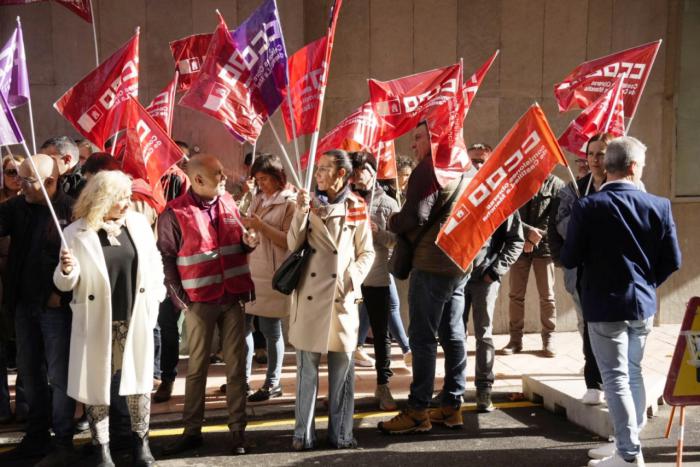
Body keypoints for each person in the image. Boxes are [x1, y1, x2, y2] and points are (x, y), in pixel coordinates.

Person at [561, 136, 681, 467]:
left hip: (602, 304)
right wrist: (645, 282)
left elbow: (570, 256)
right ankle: (628, 445)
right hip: (641, 302)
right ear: (632, 167)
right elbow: (672, 260)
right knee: (631, 373)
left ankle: (628, 452)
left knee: (615, 378)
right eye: (641, 164)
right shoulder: (659, 205)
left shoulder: (588, 207)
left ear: (610, 166)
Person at [54, 171, 165, 467]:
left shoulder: (138, 225)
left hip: (134, 316)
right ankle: (102, 449)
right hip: (97, 320)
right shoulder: (76, 232)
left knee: (138, 384)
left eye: (129, 197)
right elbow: (66, 283)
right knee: (96, 386)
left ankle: (141, 444)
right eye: (121, 198)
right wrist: (66, 270)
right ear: (102, 199)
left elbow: (154, 263)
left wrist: (157, 296)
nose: (128, 203)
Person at [158, 154, 257, 456]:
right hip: (199, 300)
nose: (225, 178)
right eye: (218, 174)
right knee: (197, 368)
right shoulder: (174, 212)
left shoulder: (227, 201)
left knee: (237, 367)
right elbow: (166, 260)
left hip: (232, 296)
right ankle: (192, 431)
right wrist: (183, 300)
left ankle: (238, 432)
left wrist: (247, 243)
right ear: (198, 180)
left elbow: (236, 242)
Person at [378, 122, 472, 434]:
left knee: (422, 338)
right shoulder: (465, 169)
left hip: (431, 264)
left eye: (418, 138)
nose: (413, 145)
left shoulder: (429, 169)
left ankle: (418, 410)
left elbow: (414, 216)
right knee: (454, 334)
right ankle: (451, 406)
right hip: (459, 262)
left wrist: (392, 219)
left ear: (435, 140)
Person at [288, 149, 375, 450]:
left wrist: (352, 277)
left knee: (343, 373)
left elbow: (368, 251)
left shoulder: (357, 205)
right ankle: (302, 435)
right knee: (306, 373)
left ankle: (341, 434)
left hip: (342, 298)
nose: (318, 174)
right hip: (310, 298)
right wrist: (300, 213)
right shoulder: (307, 203)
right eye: (318, 168)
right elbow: (292, 245)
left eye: (325, 169)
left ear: (341, 174)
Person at [0, 154, 76, 466]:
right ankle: (36, 437)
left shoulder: (70, 209)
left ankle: (63, 440)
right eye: (18, 176)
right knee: (29, 373)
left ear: (49, 182)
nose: (20, 184)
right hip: (22, 303)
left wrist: (59, 292)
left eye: (27, 179)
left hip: (55, 307)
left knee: (59, 375)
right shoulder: (17, 207)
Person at [550, 133, 612, 406]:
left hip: (614, 272)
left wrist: (584, 224)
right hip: (582, 274)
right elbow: (561, 224)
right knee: (589, 328)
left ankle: (614, 383)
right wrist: (589, 227)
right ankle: (594, 383)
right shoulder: (573, 188)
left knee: (613, 330)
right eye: (591, 154)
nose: (595, 160)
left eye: (601, 154)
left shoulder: (623, 186)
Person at [461, 143, 524, 412]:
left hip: (485, 277)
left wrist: (493, 271)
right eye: (472, 160)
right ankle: (454, 389)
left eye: (481, 161)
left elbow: (515, 241)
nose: (476, 165)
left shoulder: (501, 198)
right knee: (454, 334)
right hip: (456, 278)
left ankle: (484, 389)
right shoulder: (458, 194)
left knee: (484, 335)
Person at [240, 154, 296, 402]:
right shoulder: (258, 198)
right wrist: (249, 234)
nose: (260, 184)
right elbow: (251, 227)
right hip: (251, 269)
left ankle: (273, 382)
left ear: (276, 177)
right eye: (258, 179)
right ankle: (242, 380)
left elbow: (289, 240)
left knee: (271, 330)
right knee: (242, 328)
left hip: (273, 273)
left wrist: (261, 227)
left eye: (264, 179)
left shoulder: (290, 203)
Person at [350, 151, 400, 411]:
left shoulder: (388, 203)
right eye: (354, 171)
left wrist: (379, 234)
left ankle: (384, 386)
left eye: (362, 171)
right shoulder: (346, 201)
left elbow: (399, 240)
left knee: (381, 334)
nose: (358, 176)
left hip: (377, 275)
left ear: (373, 172)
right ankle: (343, 386)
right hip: (349, 276)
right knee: (345, 333)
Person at [499, 172, 565, 357]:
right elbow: (510, 211)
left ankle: (549, 338)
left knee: (547, 296)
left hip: (544, 248)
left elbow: (556, 217)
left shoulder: (557, 184)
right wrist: (526, 233)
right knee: (516, 295)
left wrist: (536, 237)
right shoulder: (518, 179)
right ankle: (515, 340)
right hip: (519, 245)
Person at [0, 154, 27, 425]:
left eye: (21, 173)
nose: (15, 177)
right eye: (10, 171)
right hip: (1, 282)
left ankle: (25, 404)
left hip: (21, 283)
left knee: (24, 348)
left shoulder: (34, 203)